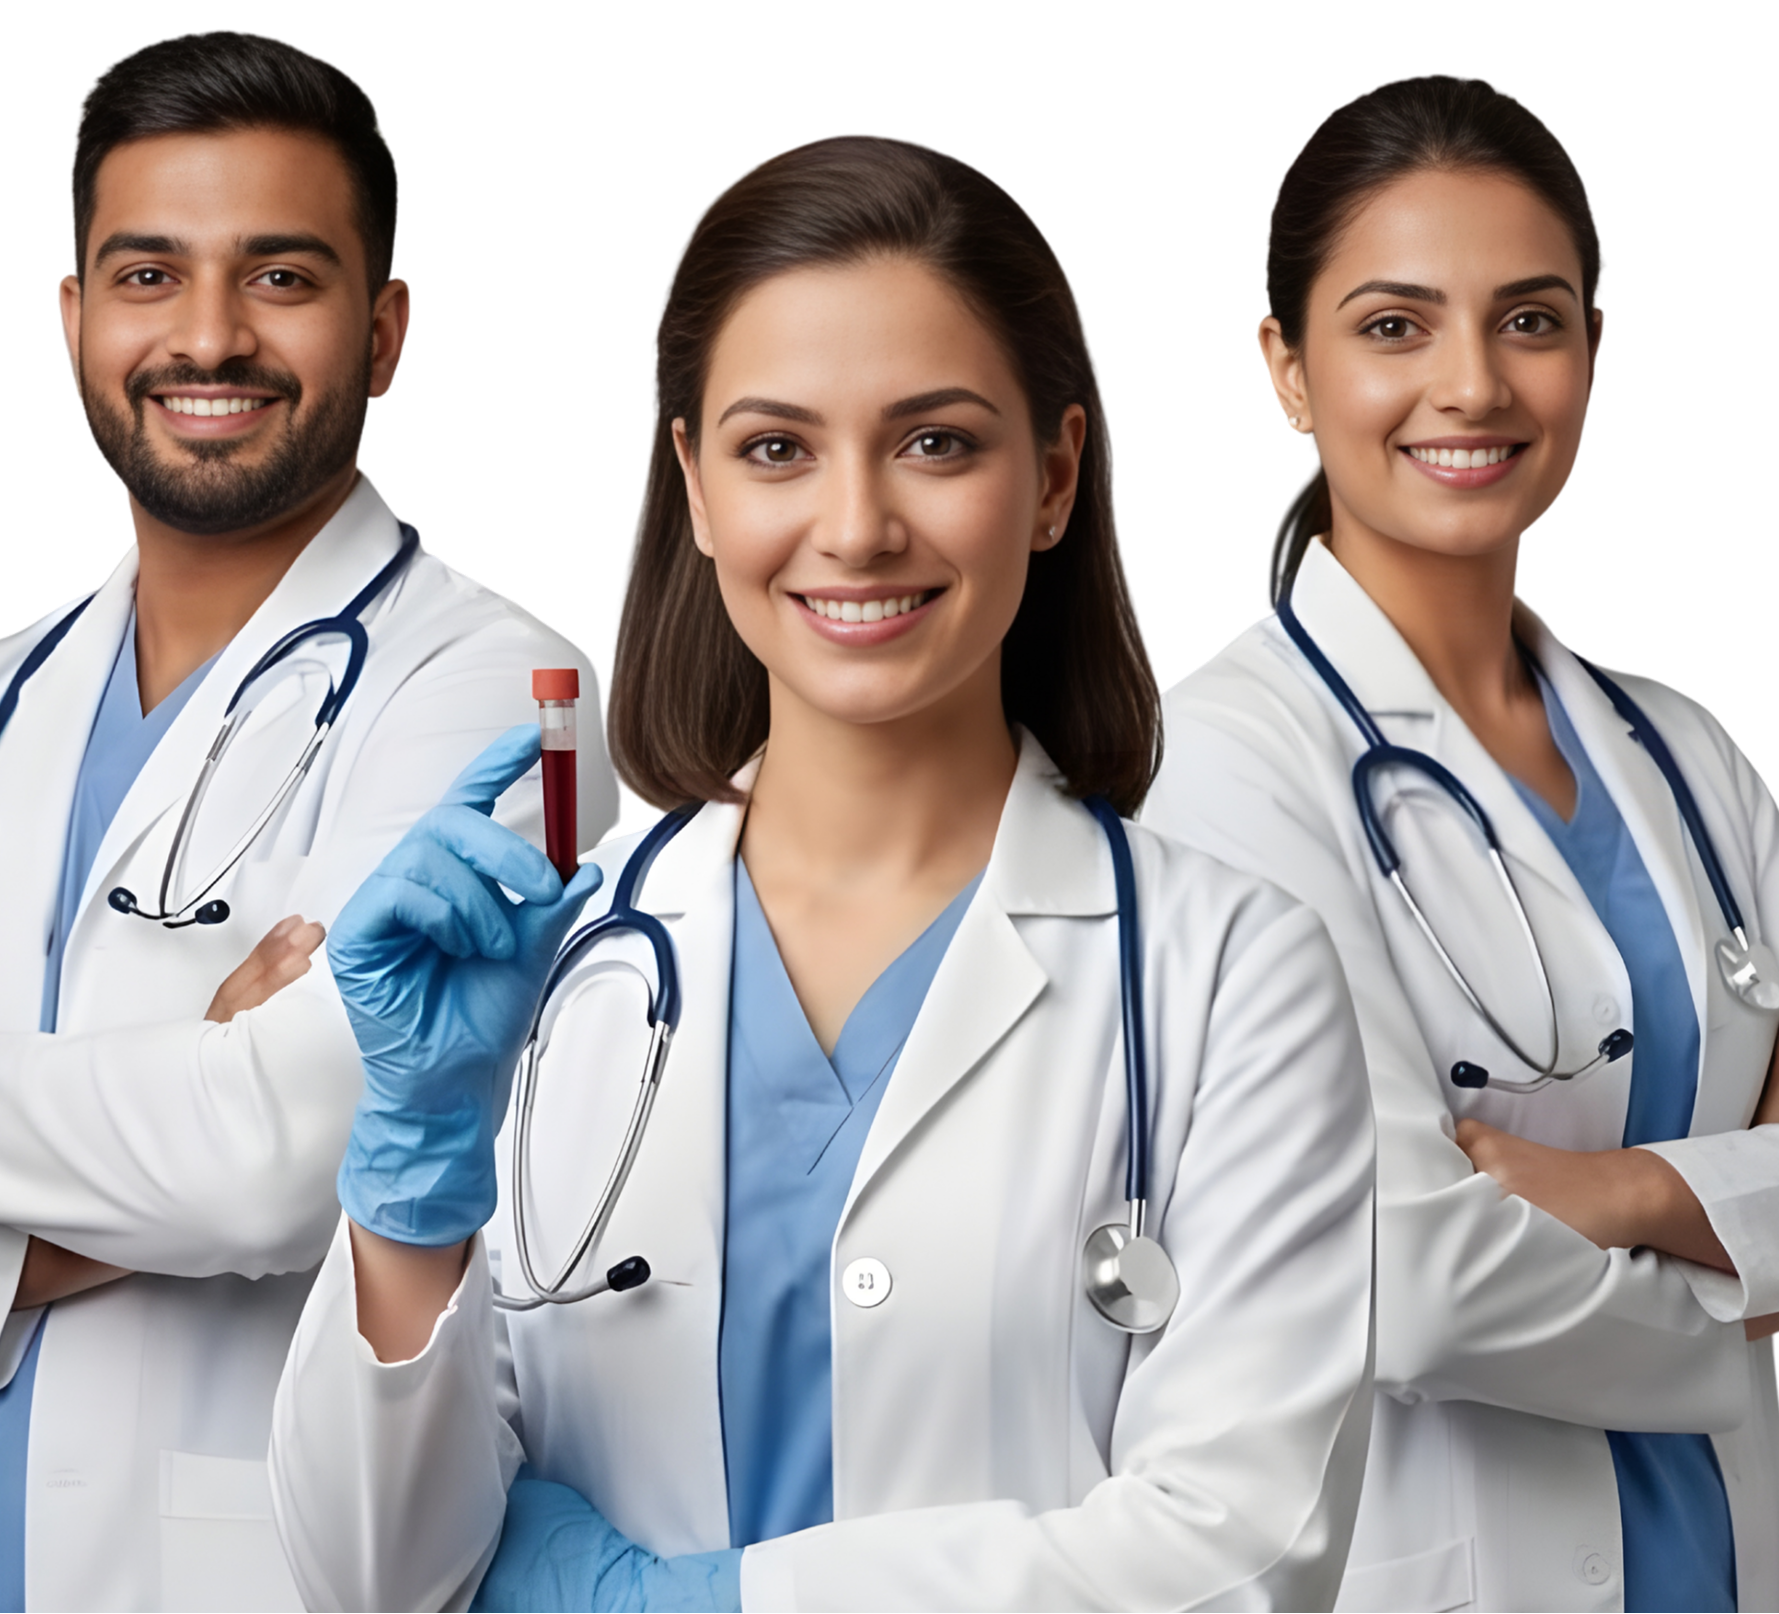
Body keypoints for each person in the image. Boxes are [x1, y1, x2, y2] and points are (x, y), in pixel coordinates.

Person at [264, 134, 1381, 1611]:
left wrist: (701, 1602)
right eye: (777, 449)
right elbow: (371, 1580)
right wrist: (412, 1176)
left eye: (936, 443)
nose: (855, 527)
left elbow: (1245, 1554)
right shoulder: (548, 957)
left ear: (1053, 476)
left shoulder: (1232, 972)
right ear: (696, 485)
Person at [0, 30, 615, 1612]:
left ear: (383, 331)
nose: (209, 335)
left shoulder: (514, 695)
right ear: (75, 321)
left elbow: (292, 1163)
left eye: (281, 276)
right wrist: (177, 1106)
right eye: (149, 274)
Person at [1139, 75, 1779, 1613]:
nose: (1470, 384)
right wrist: (1749, 1255)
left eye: (1526, 319)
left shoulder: (1679, 750)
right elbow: (1408, 1281)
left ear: (1592, 345)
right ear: (1287, 371)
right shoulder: (1221, 761)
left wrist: (1624, 1191)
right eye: (1393, 326)